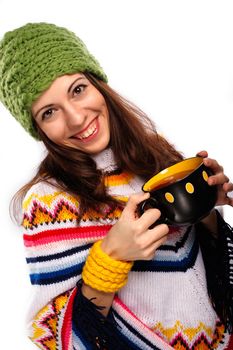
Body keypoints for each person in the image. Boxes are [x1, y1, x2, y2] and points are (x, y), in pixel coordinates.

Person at [0, 22, 232, 350]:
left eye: (78, 89)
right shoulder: (48, 201)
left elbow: (200, 276)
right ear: (38, 129)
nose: (77, 118)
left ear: (98, 82)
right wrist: (111, 257)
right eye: (49, 112)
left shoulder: (157, 152)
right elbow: (54, 335)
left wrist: (207, 209)